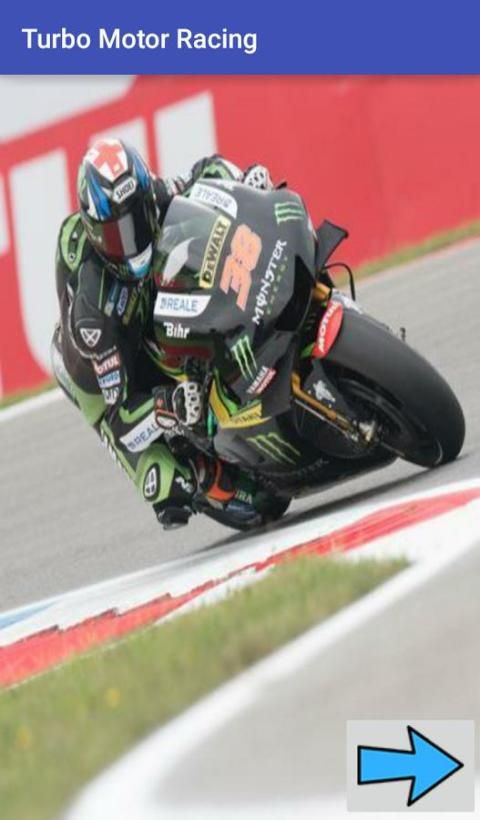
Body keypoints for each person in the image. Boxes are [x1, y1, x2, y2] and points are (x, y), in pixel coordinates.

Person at [52, 138, 277, 530]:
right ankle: (207, 475)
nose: (132, 241)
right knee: (169, 484)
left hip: (145, 305)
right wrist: (166, 405)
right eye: (118, 234)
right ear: (95, 233)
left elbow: (204, 174)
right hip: (105, 368)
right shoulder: (94, 311)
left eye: (137, 219)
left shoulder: (151, 195)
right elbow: (122, 417)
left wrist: (245, 183)